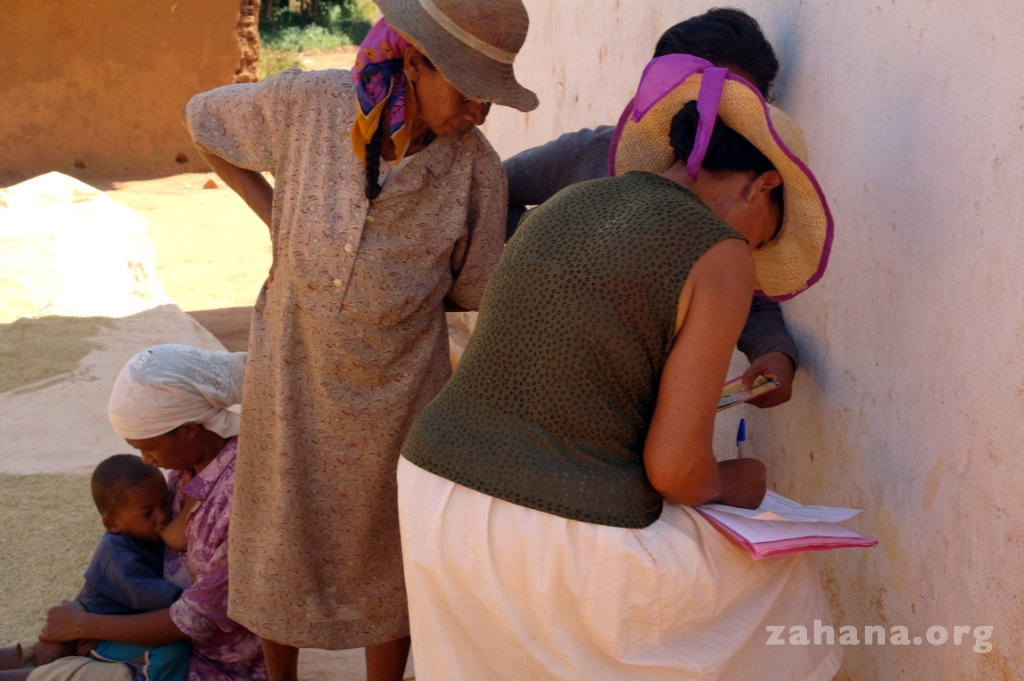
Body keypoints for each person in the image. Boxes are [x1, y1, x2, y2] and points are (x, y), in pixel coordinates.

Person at [397, 54, 839, 680]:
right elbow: (676, 471)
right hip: (554, 527)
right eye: (766, 235)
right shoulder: (722, 252)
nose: (756, 248)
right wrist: (739, 482)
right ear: (762, 185)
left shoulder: (575, 199)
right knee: (782, 581)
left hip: (433, 491)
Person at [180, 1, 538, 679]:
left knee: (386, 549)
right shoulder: (310, 106)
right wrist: (277, 221)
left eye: (491, 97)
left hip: (397, 395)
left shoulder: (475, 172)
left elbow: (474, 289)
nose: (480, 113)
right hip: (292, 371)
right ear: (415, 62)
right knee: (283, 533)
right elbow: (205, 122)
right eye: (469, 91)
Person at [503, 8, 798, 408]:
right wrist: (549, 246)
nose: (713, 117)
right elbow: (487, 192)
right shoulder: (594, 155)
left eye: (735, 105)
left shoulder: (743, 199)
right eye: (703, 97)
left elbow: (748, 288)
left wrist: (774, 350)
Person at [38, 344, 267, 681]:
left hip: (208, 666)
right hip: (161, 641)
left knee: (46, 673)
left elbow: (193, 620)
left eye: (149, 447)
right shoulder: (185, 470)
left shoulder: (242, 498)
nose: (147, 461)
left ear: (188, 428)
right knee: (37, 651)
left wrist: (83, 624)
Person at [0, 455, 190, 681]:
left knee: (37, 656)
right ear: (112, 523)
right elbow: (172, 605)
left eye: (165, 504)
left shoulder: (143, 537)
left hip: (93, 626)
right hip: (95, 636)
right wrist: (204, 597)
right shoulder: (120, 558)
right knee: (172, 652)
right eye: (147, 513)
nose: (162, 516)